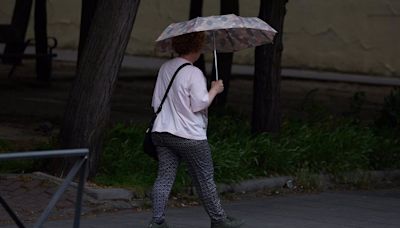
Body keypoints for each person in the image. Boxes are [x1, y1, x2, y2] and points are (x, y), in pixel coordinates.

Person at [148, 32, 244, 228]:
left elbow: (156, 101)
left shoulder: (166, 68)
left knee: (164, 177)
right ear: (197, 48)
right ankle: (219, 220)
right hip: (190, 136)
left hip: (162, 133)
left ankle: (157, 222)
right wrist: (215, 90)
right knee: (205, 178)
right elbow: (199, 104)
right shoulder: (194, 73)